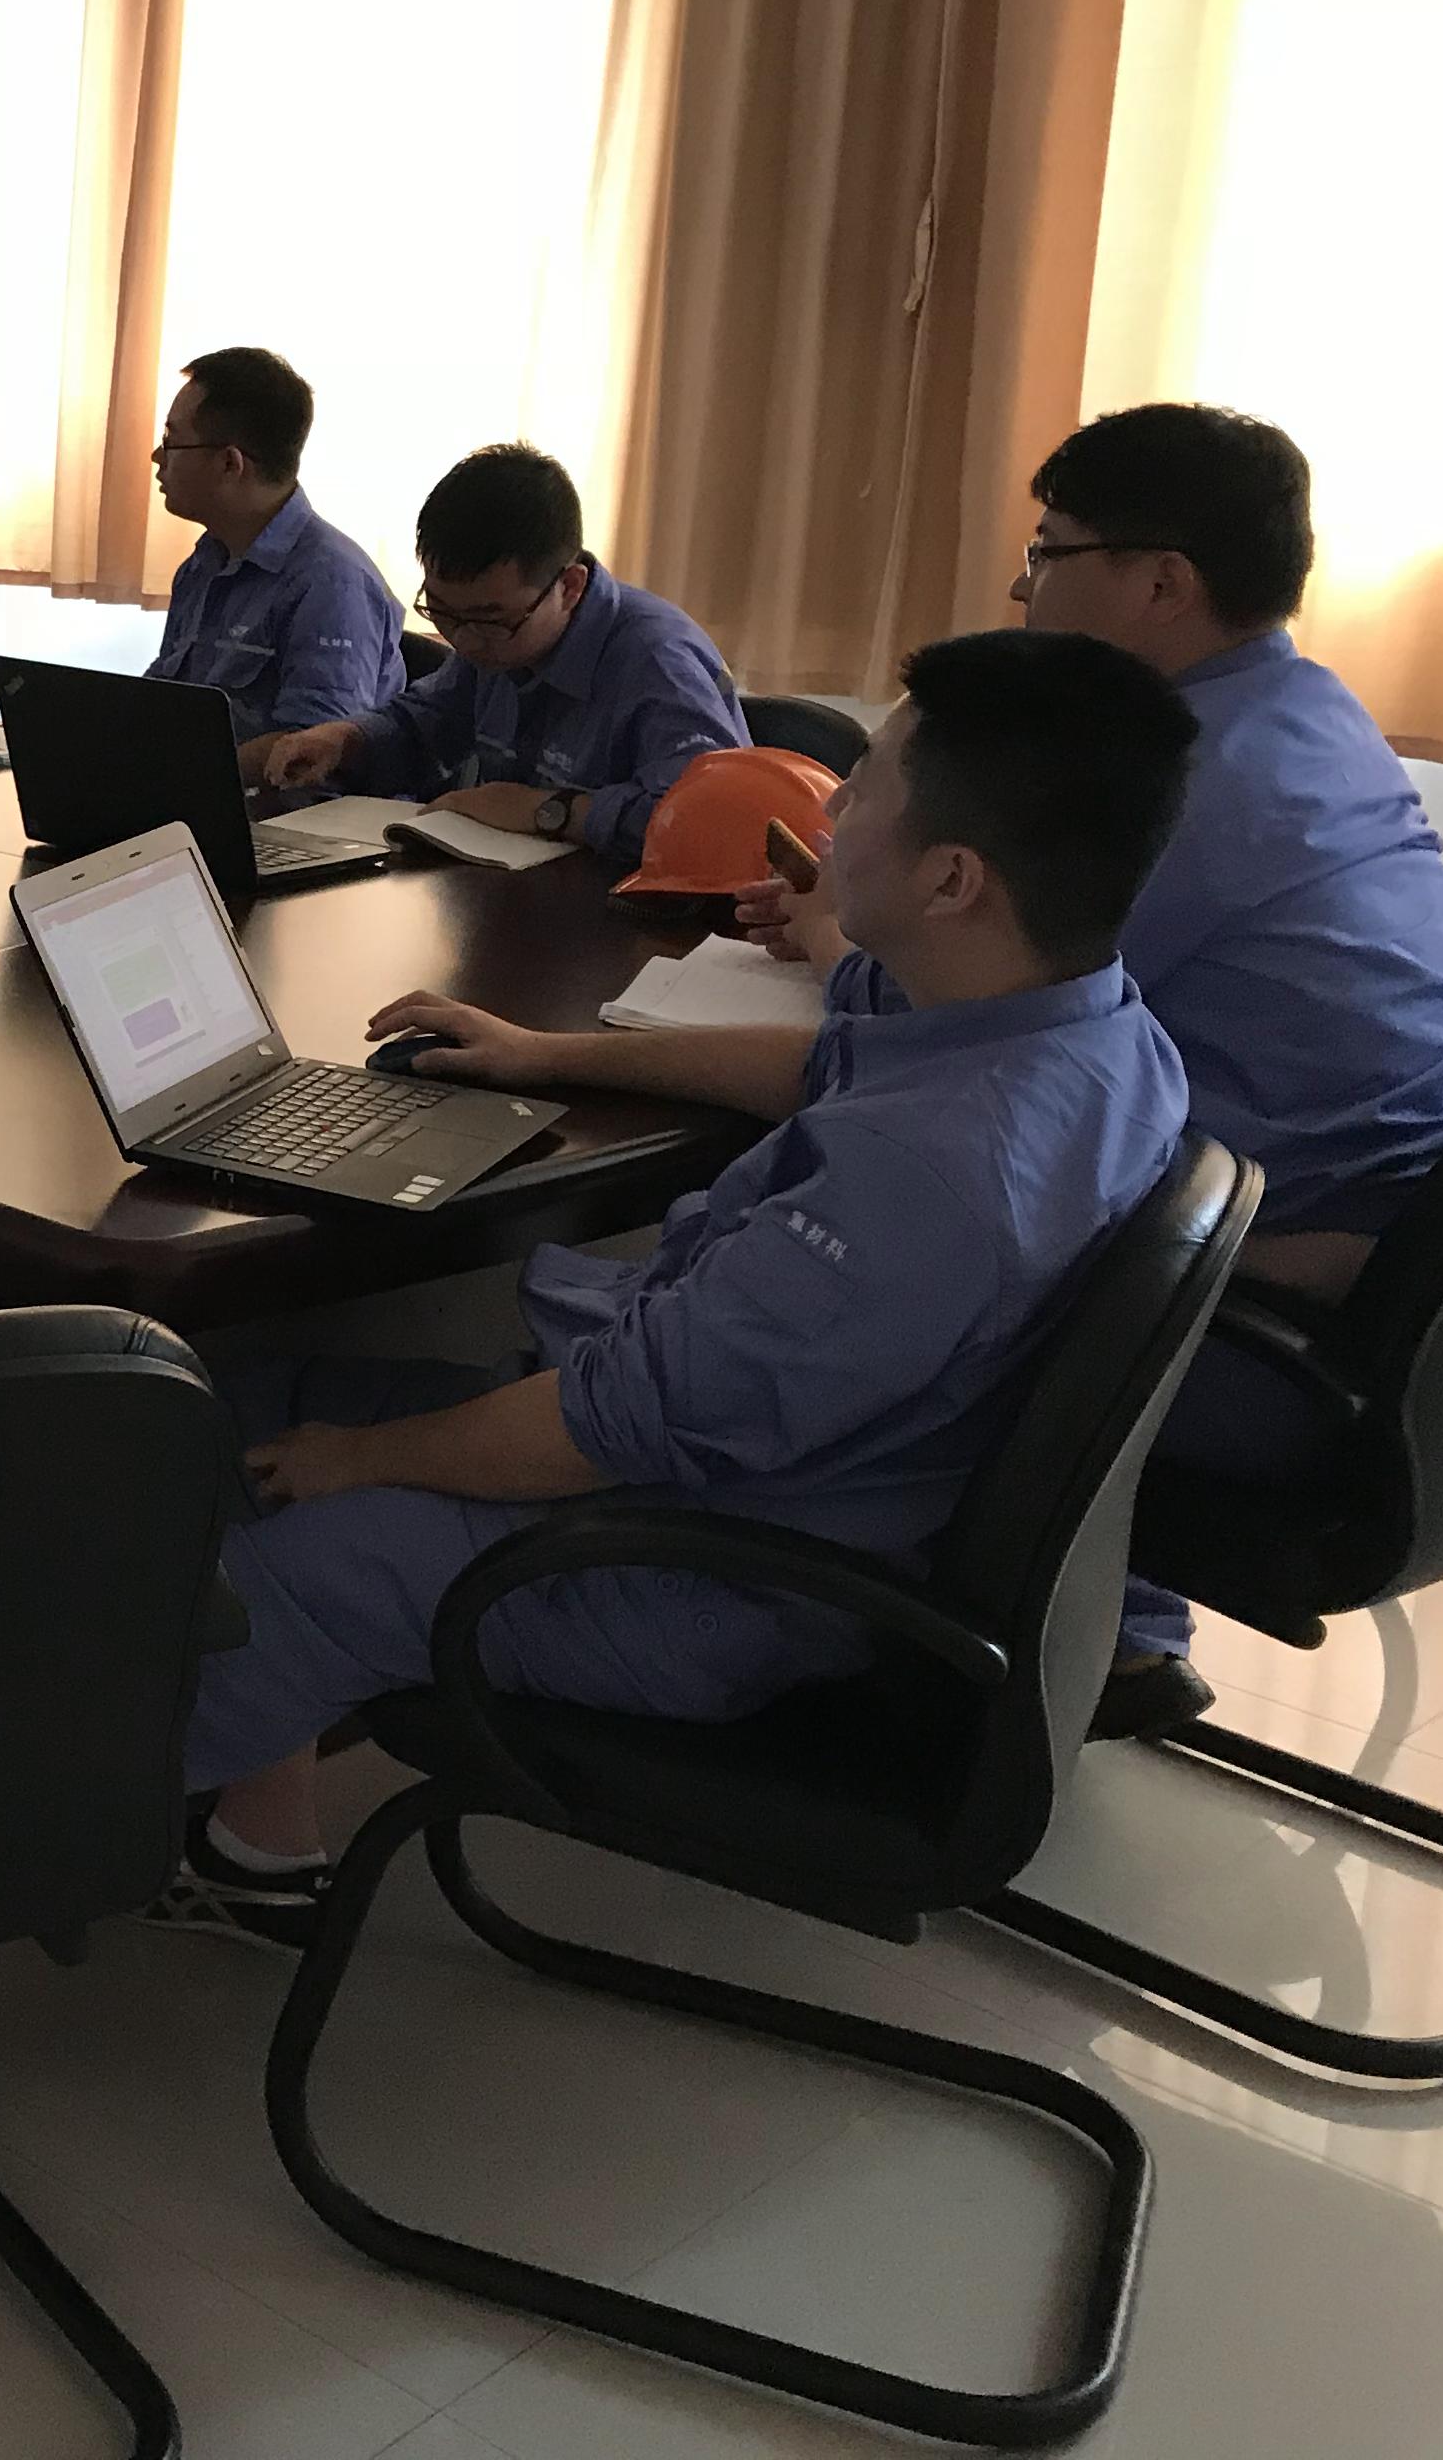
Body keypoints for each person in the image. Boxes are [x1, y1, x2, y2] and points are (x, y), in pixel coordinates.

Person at [164, 630, 1198, 1943]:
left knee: (295, 1538)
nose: (830, 801)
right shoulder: (1092, 1033)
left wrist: (363, 1458)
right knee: (235, 1404)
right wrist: (545, 1054)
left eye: (869, 782)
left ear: (953, 880)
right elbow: (829, 1065)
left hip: (718, 1578)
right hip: (799, 1493)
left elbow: (604, 1430)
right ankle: (259, 1831)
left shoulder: (926, 1181)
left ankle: (63, 1836)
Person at [735, 406, 1443, 1729]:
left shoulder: (1179, 777)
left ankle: (805, 1653)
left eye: (1048, 551)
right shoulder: (1310, 713)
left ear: (1160, 582)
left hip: (1280, 1341)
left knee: (858, 1258)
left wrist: (838, 938)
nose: (1022, 587)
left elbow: (948, 1018)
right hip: (1421, 1336)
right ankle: (1116, 1632)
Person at [244, 443, 745, 868]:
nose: (463, 641)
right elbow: (427, 724)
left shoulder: (657, 660)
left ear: (569, 587)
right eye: (441, 611)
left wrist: (544, 810)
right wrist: (345, 740)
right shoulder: (494, 640)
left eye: (489, 619)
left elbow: (715, 823)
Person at [141, 347, 405, 738]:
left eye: (171, 441)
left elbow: (312, 750)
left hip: (263, 782)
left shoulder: (331, 584)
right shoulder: (205, 563)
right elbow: (162, 699)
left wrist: (188, 766)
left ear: (230, 463)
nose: (156, 456)